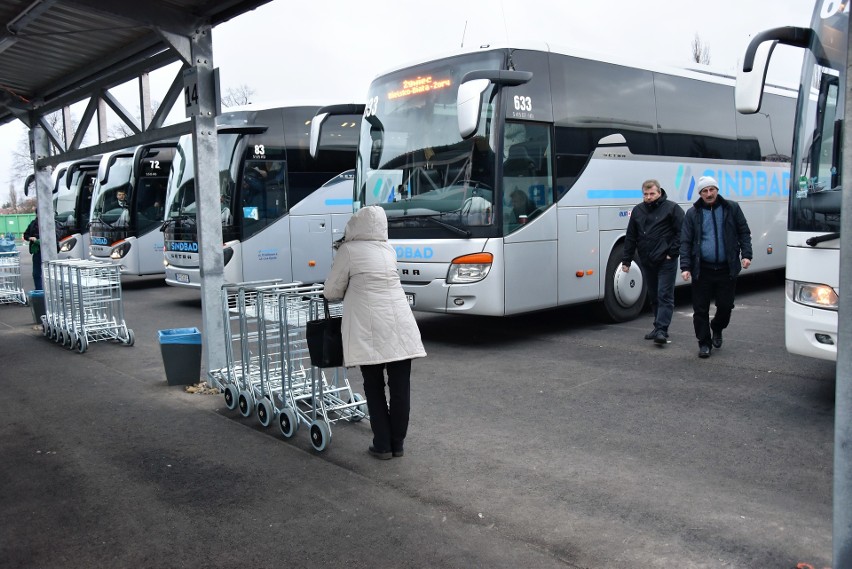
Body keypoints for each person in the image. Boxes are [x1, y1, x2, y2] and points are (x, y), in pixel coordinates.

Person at [323, 206, 427, 460]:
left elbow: (331, 291)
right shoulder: (388, 249)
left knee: (374, 386)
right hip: (400, 326)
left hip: (367, 329)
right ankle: (397, 443)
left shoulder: (348, 250)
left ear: (354, 227)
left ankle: (382, 444)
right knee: (401, 387)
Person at [680, 176, 752, 358]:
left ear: (717, 190)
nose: (709, 194)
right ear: (700, 194)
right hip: (702, 269)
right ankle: (704, 343)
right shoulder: (693, 213)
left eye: (711, 190)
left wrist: (746, 255)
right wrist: (686, 267)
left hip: (726, 268)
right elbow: (686, 241)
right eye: (705, 191)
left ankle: (717, 327)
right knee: (700, 309)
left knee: (726, 306)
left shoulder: (731, 208)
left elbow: (744, 231)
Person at [621, 179, 684, 345]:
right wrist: (626, 260)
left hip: (666, 260)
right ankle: (658, 327)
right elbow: (631, 237)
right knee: (654, 295)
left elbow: (682, 232)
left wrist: (672, 253)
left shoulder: (672, 208)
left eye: (652, 194)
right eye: (646, 194)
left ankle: (662, 330)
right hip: (647, 260)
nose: (648, 197)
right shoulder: (638, 210)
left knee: (664, 294)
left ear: (659, 192)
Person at [23, 215, 43, 290]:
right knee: (36, 273)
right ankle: (39, 291)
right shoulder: (33, 224)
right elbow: (25, 235)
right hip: (37, 251)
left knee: (50, 272)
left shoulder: (51, 223)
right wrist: (30, 238)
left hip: (49, 251)